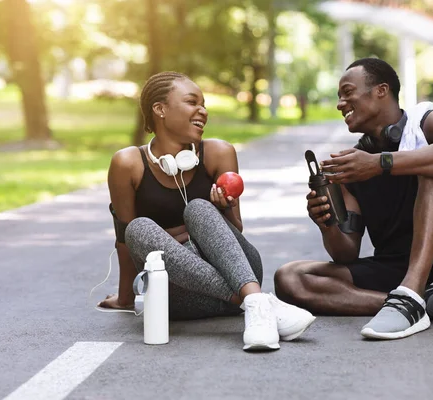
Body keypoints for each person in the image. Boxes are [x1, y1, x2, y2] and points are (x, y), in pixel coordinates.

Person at [274, 58, 433, 340]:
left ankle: (411, 295)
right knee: (290, 278)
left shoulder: (428, 120)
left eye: (348, 92)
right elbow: (346, 254)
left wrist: (381, 163)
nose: (341, 103)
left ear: (381, 90)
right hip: (396, 270)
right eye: (339, 97)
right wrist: (326, 224)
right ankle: (418, 303)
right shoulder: (353, 165)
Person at [99, 71, 315, 351]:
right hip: (179, 293)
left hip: (239, 274)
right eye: (192, 102)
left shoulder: (219, 153)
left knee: (199, 208)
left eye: (204, 104)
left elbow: (235, 231)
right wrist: (125, 298)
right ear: (160, 109)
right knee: (137, 229)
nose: (203, 111)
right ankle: (258, 303)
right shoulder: (128, 163)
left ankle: (252, 298)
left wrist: (224, 209)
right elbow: (125, 242)